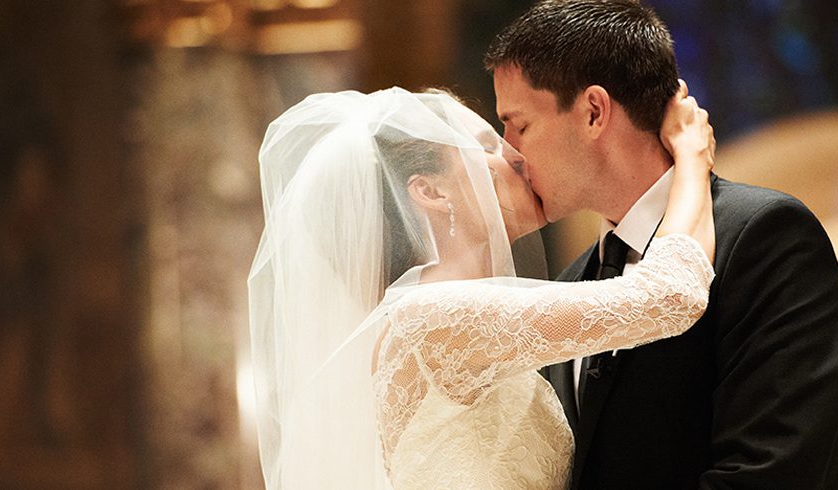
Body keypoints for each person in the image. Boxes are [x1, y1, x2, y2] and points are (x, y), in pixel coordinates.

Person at [249, 86, 715, 488]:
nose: (515, 155)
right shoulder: (432, 319)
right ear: (431, 193)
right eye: (487, 146)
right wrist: (691, 159)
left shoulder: (451, 313)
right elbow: (671, 297)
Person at [485, 1, 838, 488]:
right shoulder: (573, 281)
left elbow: (778, 471)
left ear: (594, 112)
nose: (508, 152)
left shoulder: (766, 237)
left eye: (520, 126)